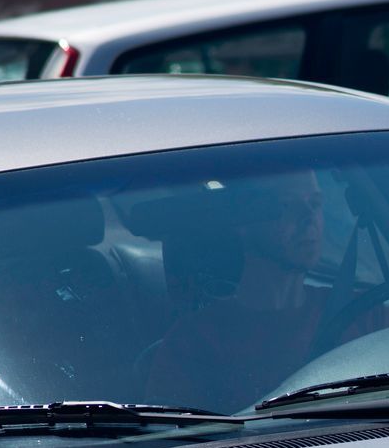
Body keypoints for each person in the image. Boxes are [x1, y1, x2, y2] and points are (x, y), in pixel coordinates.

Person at [143, 169, 365, 412]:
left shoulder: (364, 313)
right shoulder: (193, 343)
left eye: (315, 203)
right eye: (286, 206)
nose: (308, 216)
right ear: (244, 223)